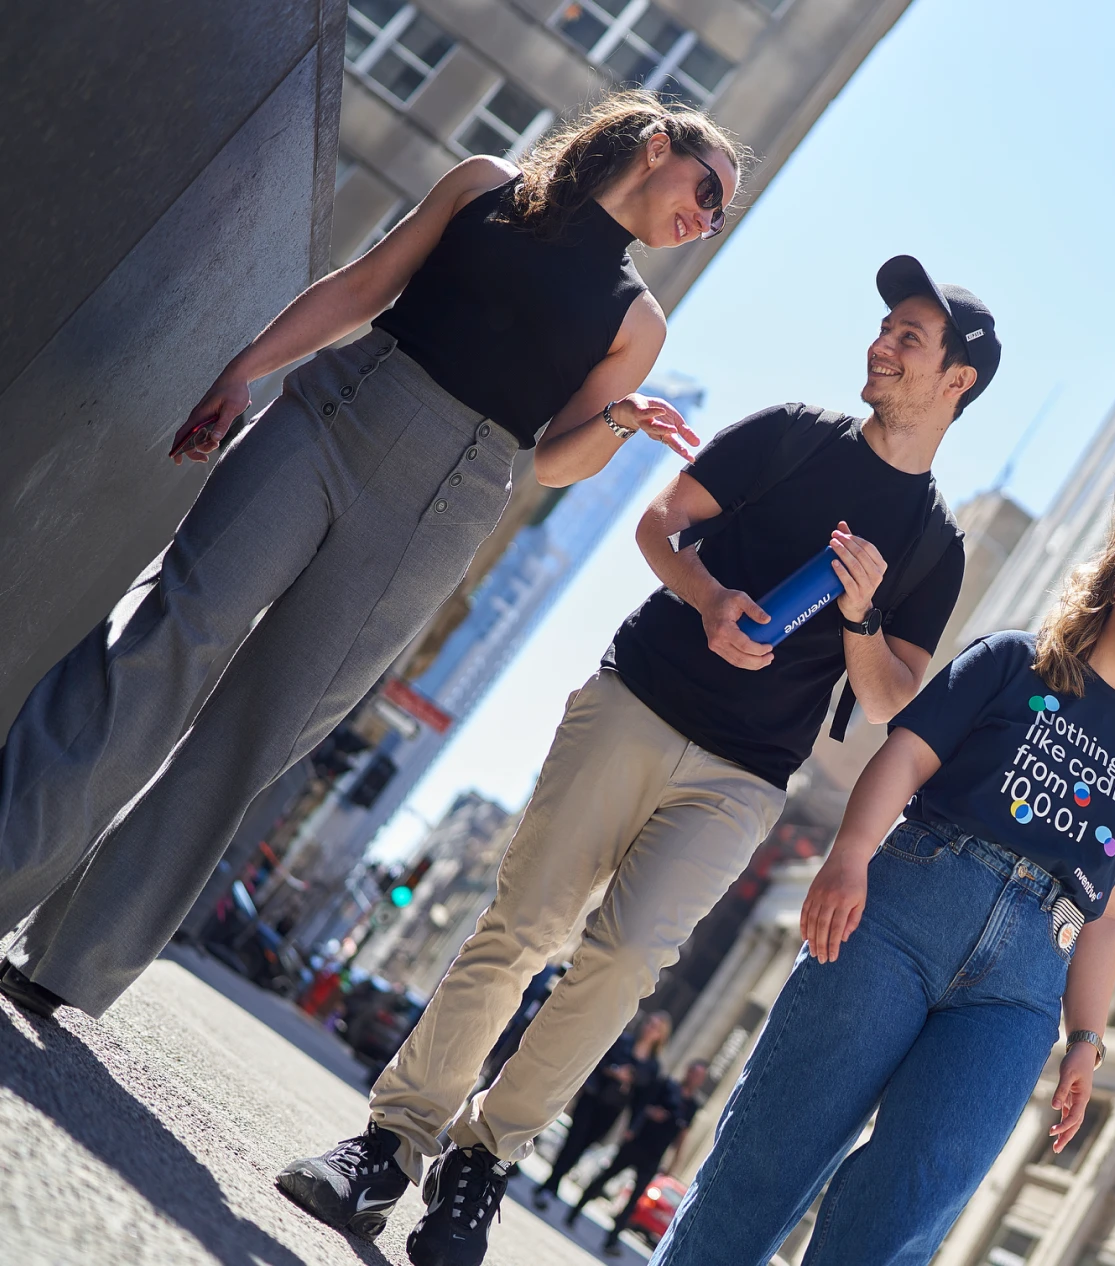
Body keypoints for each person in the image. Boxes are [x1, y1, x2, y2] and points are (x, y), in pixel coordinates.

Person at [275, 256, 1000, 1266]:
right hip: (636, 700)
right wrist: (708, 601)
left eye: (910, 339)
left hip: (743, 778)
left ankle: (482, 1158)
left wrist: (864, 611)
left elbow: (887, 697)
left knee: (620, 967)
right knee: (523, 926)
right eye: (885, 329)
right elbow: (663, 525)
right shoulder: (791, 432)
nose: (882, 344)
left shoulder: (934, 543)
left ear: (958, 380)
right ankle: (388, 1145)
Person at [0, 90, 743, 1024]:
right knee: (167, 630)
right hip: (333, 413)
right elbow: (363, 286)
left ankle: (70, 962)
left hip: (446, 501)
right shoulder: (486, 187)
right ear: (657, 144)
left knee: (257, 730)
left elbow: (553, 459)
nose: (706, 219)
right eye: (707, 189)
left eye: (722, 216)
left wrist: (619, 426)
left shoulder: (638, 324)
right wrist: (243, 372)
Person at [650, 511, 1115, 1266]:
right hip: (902, 914)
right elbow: (906, 755)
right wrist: (849, 855)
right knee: (777, 1147)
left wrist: (1086, 1040)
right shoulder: (1013, 660)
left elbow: (1109, 919)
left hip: (1021, 990)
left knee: (904, 1213)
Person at [531, 1010, 670, 1205]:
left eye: (655, 1027)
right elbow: (599, 1061)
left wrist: (632, 1127)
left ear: (660, 1036)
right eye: (649, 1023)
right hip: (593, 1097)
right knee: (573, 1140)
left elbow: (641, 1100)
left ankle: (553, 1181)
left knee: (583, 1146)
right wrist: (615, 1071)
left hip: (612, 1110)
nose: (649, 1028)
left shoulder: (653, 1066)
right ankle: (551, 1185)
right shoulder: (623, 1041)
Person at [571, 1060, 706, 1256]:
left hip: (654, 1156)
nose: (694, 1078)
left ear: (701, 1080)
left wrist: (674, 1165)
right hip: (636, 1145)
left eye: (699, 1076)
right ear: (687, 1071)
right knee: (604, 1177)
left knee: (634, 1199)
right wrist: (644, 1119)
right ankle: (574, 1211)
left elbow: (682, 1135)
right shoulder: (666, 1085)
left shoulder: (692, 1105)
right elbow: (641, 1105)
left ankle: (611, 1240)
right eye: (693, 1072)